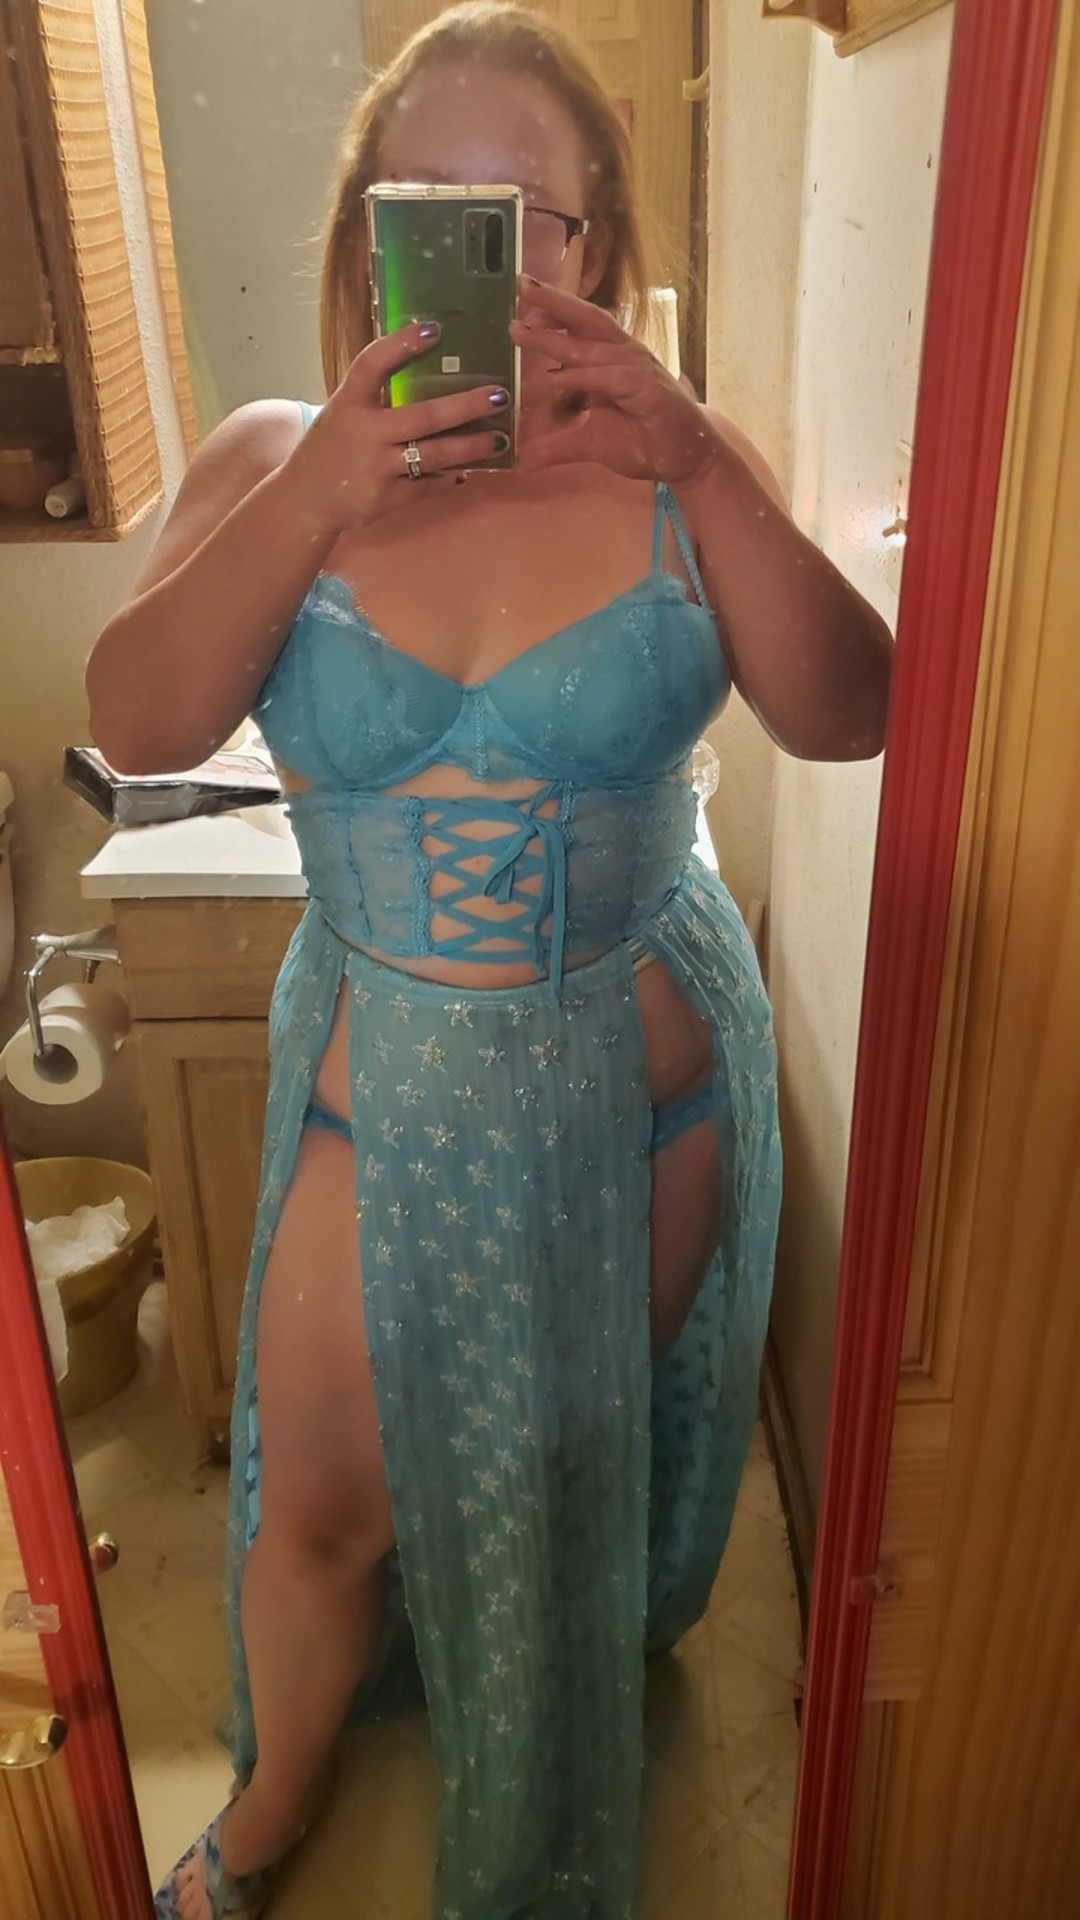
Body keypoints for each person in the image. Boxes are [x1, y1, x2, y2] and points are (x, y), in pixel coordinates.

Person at [87, 7, 893, 1917]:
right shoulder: (272, 455)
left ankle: (545, 1729)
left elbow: (852, 710)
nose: (489, 257)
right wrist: (318, 494)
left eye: (529, 214)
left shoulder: (679, 462)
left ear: (595, 242)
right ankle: (270, 1810)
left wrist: (696, 456)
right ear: (367, 234)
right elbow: (135, 719)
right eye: (429, 207)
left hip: (643, 1096)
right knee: (325, 1510)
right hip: (381, 1089)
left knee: (553, 1485)